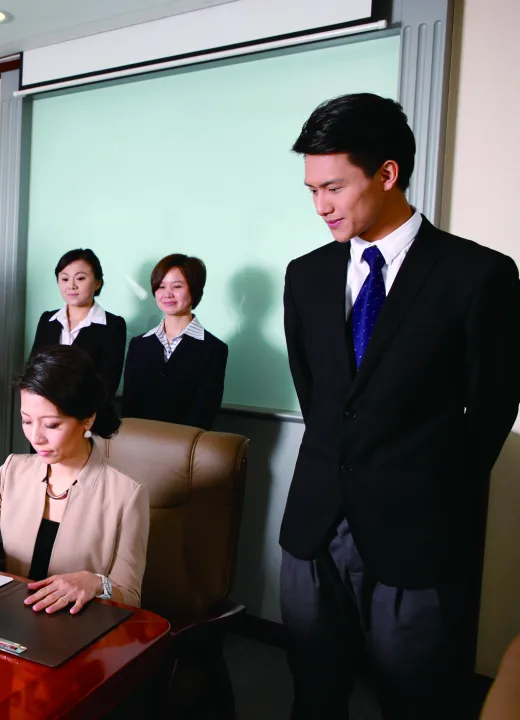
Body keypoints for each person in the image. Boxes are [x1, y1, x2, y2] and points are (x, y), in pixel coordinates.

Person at [281, 93, 520, 719]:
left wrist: (437, 494)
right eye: (312, 190)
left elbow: (493, 407)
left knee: (415, 702)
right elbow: (319, 395)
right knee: (313, 696)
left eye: (334, 187)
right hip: (314, 525)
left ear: (387, 173)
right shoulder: (305, 276)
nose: (320, 206)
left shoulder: (479, 275)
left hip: (417, 533)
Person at [0, 345, 149, 612]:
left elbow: (130, 595)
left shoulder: (126, 495)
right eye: (27, 421)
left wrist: (96, 583)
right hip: (14, 615)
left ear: (87, 419)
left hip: (79, 624)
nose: (36, 437)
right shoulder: (13, 471)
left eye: (51, 425)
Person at [121, 254, 228, 429]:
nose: (167, 294)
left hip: (185, 442)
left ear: (194, 290)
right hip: (138, 440)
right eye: (161, 286)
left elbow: (204, 412)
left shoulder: (213, 349)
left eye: (177, 286)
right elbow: (129, 407)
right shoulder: (139, 344)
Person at [30, 249, 127, 401]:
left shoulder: (113, 325)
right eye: (65, 279)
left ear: (98, 283)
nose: (71, 285)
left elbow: (107, 383)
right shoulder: (47, 320)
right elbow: (34, 370)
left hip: (89, 412)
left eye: (80, 278)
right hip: (44, 410)